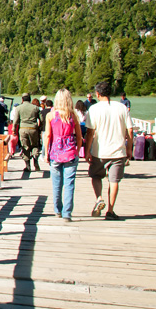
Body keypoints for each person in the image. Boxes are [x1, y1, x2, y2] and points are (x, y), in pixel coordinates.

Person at [84, 81, 134, 220]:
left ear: (97, 94)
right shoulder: (122, 108)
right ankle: (111, 210)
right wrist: (129, 148)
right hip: (118, 151)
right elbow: (129, 130)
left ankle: (99, 198)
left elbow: (90, 132)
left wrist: (87, 151)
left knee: (96, 176)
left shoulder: (94, 109)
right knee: (114, 181)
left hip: (99, 151)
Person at [43, 89, 83, 222]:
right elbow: (79, 137)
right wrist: (77, 151)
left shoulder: (51, 115)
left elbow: (48, 135)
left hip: (55, 152)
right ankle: (67, 213)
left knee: (56, 184)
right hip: (70, 152)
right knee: (69, 184)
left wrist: (46, 153)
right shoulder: (73, 115)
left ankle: (57, 209)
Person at [13, 93, 43, 171]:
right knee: (35, 145)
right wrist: (40, 128)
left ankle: (27, 165)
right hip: (33, 129)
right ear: (30, 99)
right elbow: (41, 119)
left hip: (23, 128)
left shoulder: (19, 108)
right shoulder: (36, 108)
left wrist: (13, 130)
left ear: (22, 99)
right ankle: (35, 159)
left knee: (25, 146)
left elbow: (15, 121)